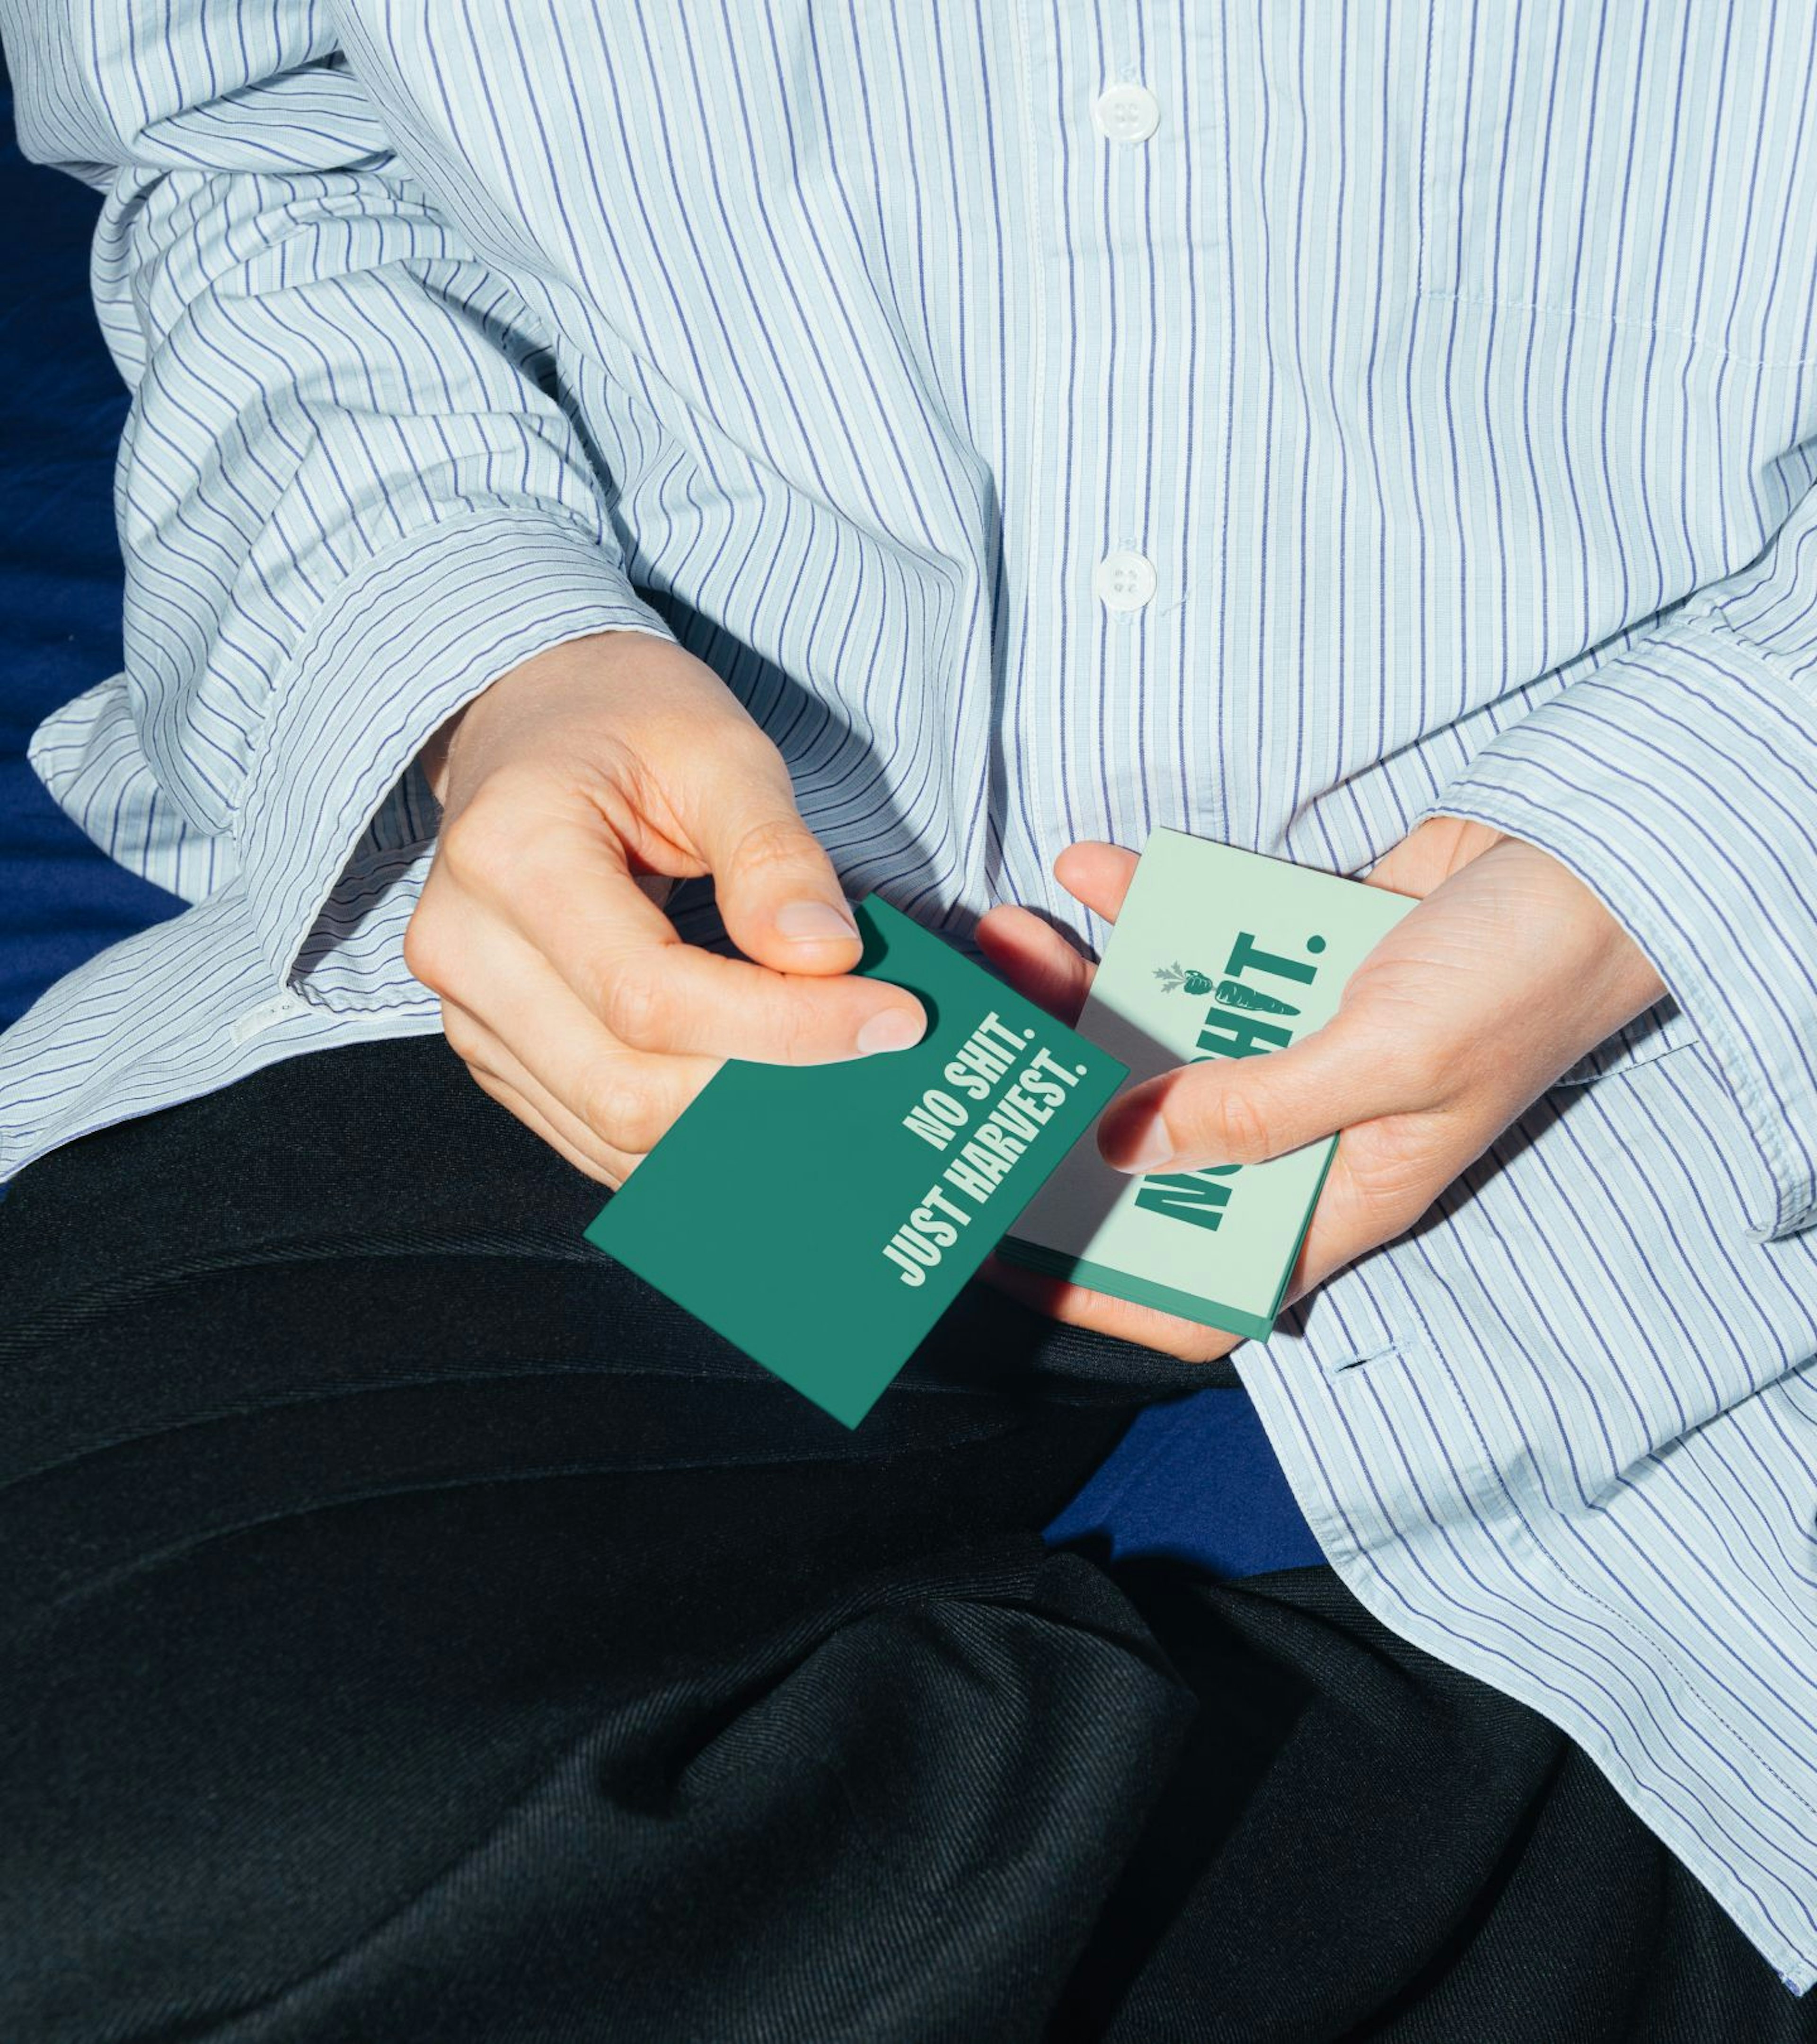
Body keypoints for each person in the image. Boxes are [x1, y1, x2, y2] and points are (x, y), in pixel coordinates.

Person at [2, 3, 1815, 2037]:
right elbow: (252, 161)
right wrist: (485, 656)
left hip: (1686, 991)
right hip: (707, 931)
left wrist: (1705, 818)